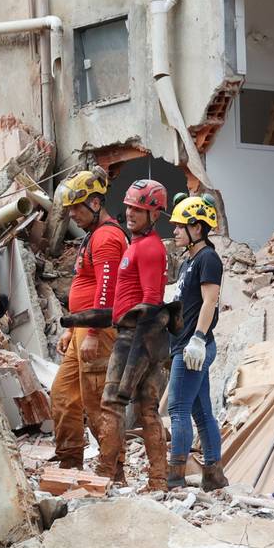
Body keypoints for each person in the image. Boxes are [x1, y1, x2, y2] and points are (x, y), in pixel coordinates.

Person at [50, 170, 128, 470]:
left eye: (77, 207)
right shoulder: (94, 235)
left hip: (99, 330)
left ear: (96, 202)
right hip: (85, 328)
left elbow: (106, 292)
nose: (73, 215)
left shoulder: (107, 237)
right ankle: (70, 463)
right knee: (63, 394)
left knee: (98, 402)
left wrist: (92, 331)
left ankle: (112, 468)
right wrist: (74, 330)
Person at [96, 179, 171, 492]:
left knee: (112, 403)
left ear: (154, 215)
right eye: (128, 207)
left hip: (136, 338)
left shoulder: (150, 249)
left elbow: (152, 299)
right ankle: (157, 481)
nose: (130, 213)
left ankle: (102, 476)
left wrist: (137, 346)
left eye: (139, 209)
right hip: (146, 338)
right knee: (147, 409)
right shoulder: (139, 245)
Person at [166, 196, 227, 491]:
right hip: (185, 343)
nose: (175, 231)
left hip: (193, 347)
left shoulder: (208, 259)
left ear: (198, 228)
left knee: (177, 409)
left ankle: (175, 476)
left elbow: (210, 301)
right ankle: (214, 474)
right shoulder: (189, 261)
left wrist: (198, 340)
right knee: (201, 412)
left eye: (181, 226)